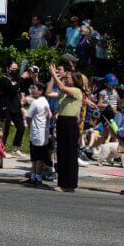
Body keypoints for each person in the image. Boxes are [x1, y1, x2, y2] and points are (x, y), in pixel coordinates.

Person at [49, 63, 84, 192]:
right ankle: (62, 183)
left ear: (75, 80)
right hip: (62, 122)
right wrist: (54, 78)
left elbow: (62, 88)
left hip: (70, 123)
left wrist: (54, 74)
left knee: (70, 155)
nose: (67, 79)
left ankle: (70, 184)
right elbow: (48, 92)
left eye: (69, 77)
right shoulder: (65, 91)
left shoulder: (76, 91)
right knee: (62, 154)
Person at [25, 89, 53, 187]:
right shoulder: (43, 102)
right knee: (38, 157)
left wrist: (30, 127)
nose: (33, 90)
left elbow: (28, 117)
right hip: (41, 133)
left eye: (35, 88)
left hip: (37, 133)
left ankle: (35, 177)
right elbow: (49, 115)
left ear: (41, 91)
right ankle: (36, 178)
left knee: (36, 157)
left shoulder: (36, 102)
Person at [0, 61, 25, 154]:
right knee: (5, 130)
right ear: (7, 69)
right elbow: (12, 89)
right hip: (6, 108)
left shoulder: (16, 80)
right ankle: (0, 150)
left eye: (16, 69)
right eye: (13, 69)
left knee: (21, 127)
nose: (14, 71)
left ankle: (15, 148)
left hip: (15, 108)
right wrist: (21, 78)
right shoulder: (4, 80)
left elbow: (20, 88)